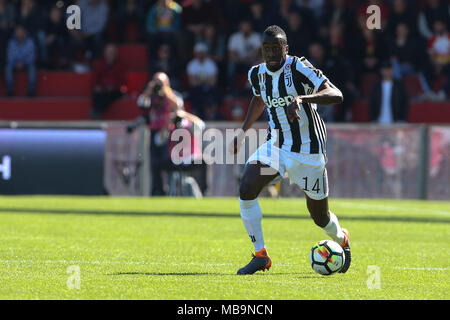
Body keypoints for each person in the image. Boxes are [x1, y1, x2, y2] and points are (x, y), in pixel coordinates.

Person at [229, 25, 351, 275]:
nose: (271, 54)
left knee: (320, 217)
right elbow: (259, 98)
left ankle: (341, 239)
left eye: (276, 48)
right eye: (266, 49)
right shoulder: (257, 74)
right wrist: (242, 131)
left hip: (309, 153)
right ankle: (261, 255)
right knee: (247, 187)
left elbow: (336, 94)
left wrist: (302, 99)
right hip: (277, 146)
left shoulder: (298, 67)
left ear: (286, 48)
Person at [127, 72, 205, 196]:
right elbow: (141, 103)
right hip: (155, 132)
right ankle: (157, 190)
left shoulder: (172, 95)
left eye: (160, 82)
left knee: (168, 161)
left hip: (169, 131)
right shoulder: (151, 96)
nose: (158, 85)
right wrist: (149, 89)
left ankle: (170, 189)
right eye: (156, 81)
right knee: (154, 163)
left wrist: (166, 92)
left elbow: (179, 108)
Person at [90, 44, 126, 119]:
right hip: (103, 88)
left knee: (108, 95)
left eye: (112, 52)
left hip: (115, 89)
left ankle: (97, 111)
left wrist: (113, 87)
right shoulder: (101, 64)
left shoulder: (120, 65)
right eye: (109, 52)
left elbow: (122, 81)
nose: (110, 54)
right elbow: (95, 79)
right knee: (97, 93)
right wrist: (98, 87)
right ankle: (96, 111)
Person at [5, 25, 36, 97]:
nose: (19, 34)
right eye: (18, 32)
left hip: (27, 63)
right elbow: (10, 56)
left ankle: (31, 91)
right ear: (15, 33)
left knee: (32, 67)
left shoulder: (30, 42)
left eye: (21, 32)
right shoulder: (11, 43)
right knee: (7, 67)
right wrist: (16, 63)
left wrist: (23, 62)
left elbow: (32, 56)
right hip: (14, 63)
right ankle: (10, 90)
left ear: (25, 33)